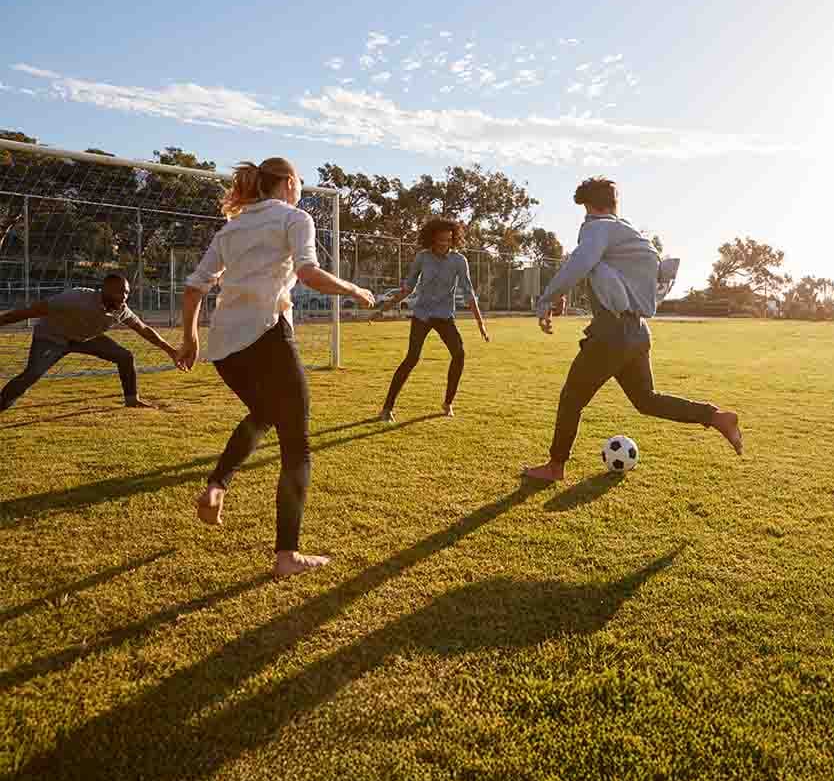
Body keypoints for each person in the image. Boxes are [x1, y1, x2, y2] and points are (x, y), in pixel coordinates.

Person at [177, 158, 375, 579]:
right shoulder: (295, 217)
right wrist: (355, 289)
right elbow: (308, 273)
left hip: (225, 348)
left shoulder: (231, 228)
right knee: (297, 445)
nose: (301, 188)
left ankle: (216, 486)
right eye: (300, 181)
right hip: (268, 337)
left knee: (264, 415)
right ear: (289, 183)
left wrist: (190, 338)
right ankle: (288, 555)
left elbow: (195, 286)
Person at [521, 176, 742, 483]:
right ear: (614, 203)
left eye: (585, 210)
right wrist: (563, 295)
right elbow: (602, 275)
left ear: (590, 207)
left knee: (572, 398)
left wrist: (546, 298)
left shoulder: (597, 227)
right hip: (637, 332)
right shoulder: (632, 235)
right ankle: (716, 417)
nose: (584, 218)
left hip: (611, 334)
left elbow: (580, 263)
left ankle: (555, 466)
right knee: (646, 400)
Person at [0, 273, 182, 413]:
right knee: (33, 373)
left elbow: (144, 330)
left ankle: (132, 400)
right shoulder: (77, 298)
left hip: (84, 339)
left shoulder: (121, 310)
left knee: (124, 356)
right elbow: (32, 310)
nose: (124, 296)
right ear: (105, 289)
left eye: (126, 292)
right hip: (52, 337)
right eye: (120, 291)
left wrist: (171, 350)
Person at [372, 217, 489, 421]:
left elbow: (469, 292)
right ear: (432, 239)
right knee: (412, 358)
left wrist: (481, 324)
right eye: (440, 240)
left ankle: (448, 403)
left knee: (459, 354)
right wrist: (384, 309)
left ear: (453, 239)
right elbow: (408, 288)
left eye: (449, 240)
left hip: (445, 316)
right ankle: (387, 408)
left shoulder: (459, 261)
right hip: (422, 315)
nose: (444, 244)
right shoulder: (422, 258)